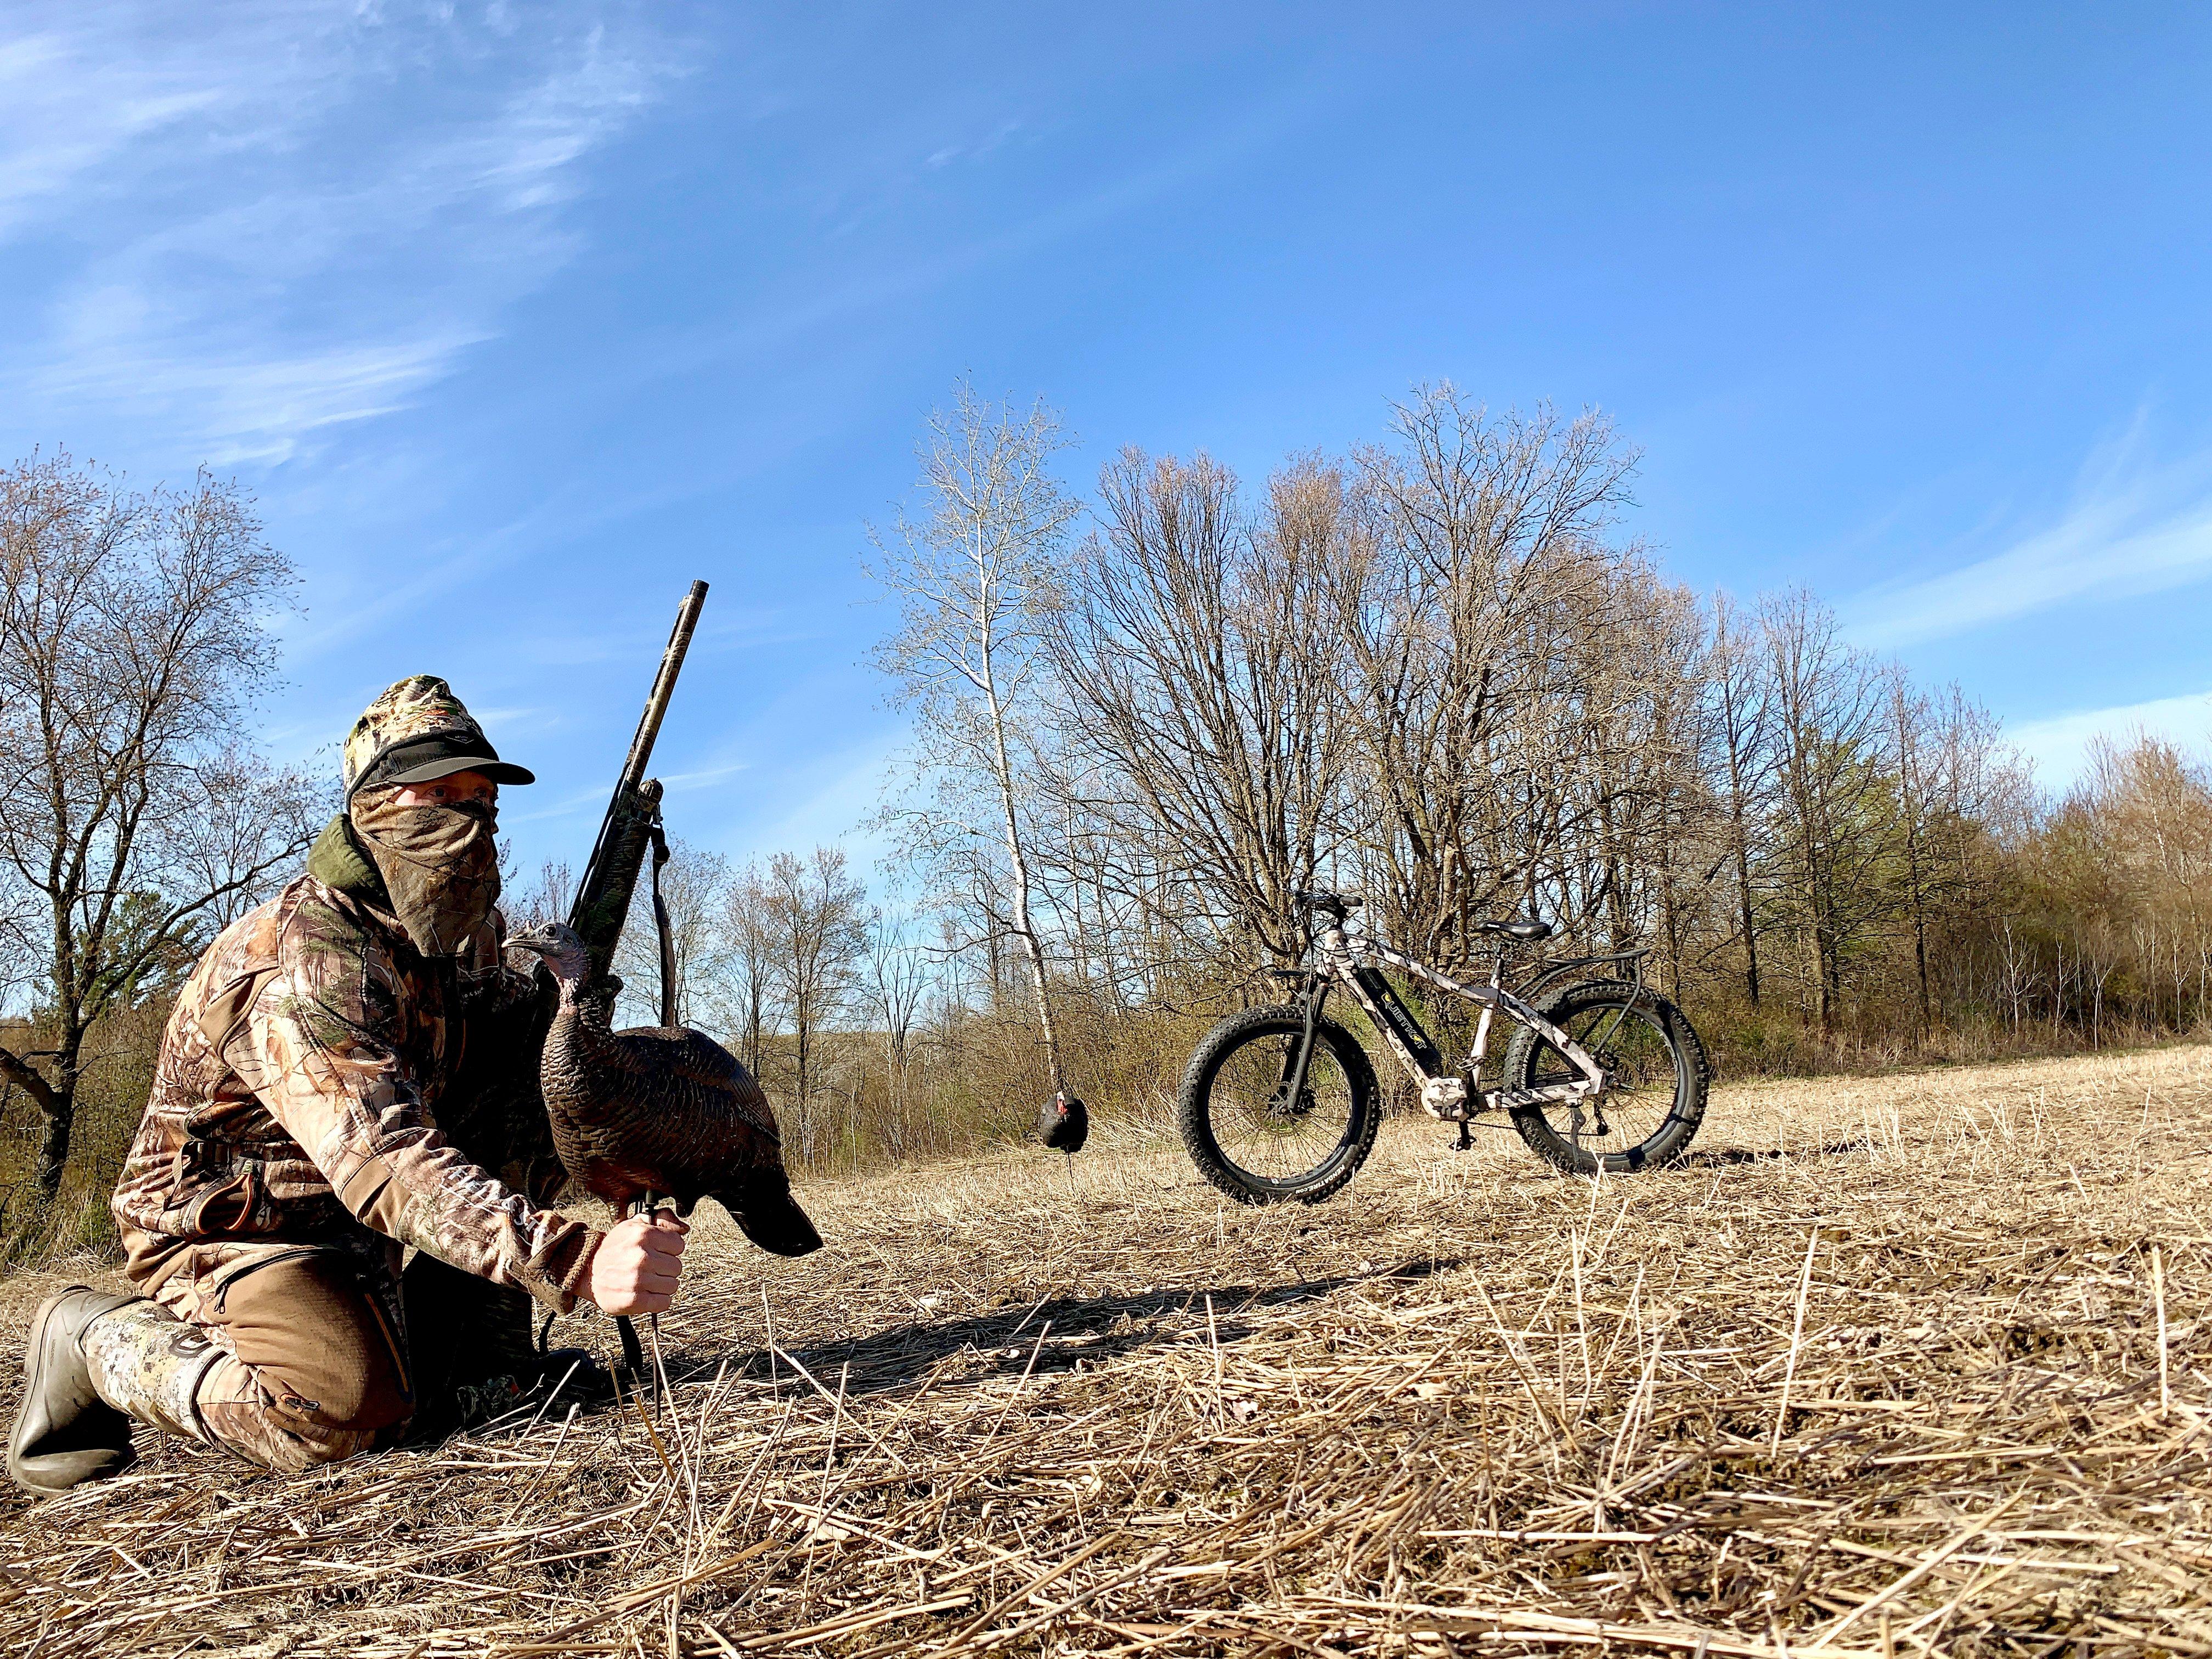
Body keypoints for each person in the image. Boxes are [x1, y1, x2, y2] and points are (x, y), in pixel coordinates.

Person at [7, 676, 686, 1492]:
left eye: (482, 800)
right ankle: (91, 1340)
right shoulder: (301, 959)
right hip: (239, 1226)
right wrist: (571, 1259)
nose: (471, 822)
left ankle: (461, 1355)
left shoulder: (465, 935)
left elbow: (515, 1045)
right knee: (337, 1411)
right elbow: (387, 1158)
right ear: (373, 808)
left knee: (524, 1087)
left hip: (360, 1223)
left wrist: (586, 1027)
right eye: (440, 794)